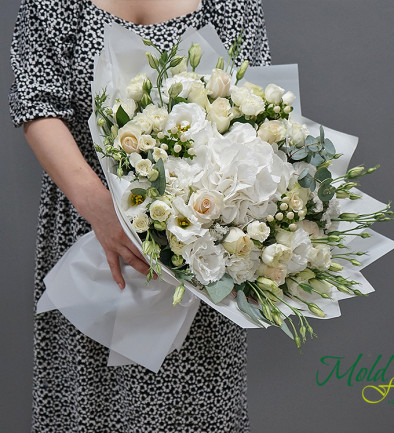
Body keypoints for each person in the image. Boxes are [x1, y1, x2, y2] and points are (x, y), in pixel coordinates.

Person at [9, 0, 271, 431]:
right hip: (89, 233)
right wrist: (102, 211)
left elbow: (254, 109)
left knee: (193, 409)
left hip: (198, 243)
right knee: (88, 407)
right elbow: (37, 102)